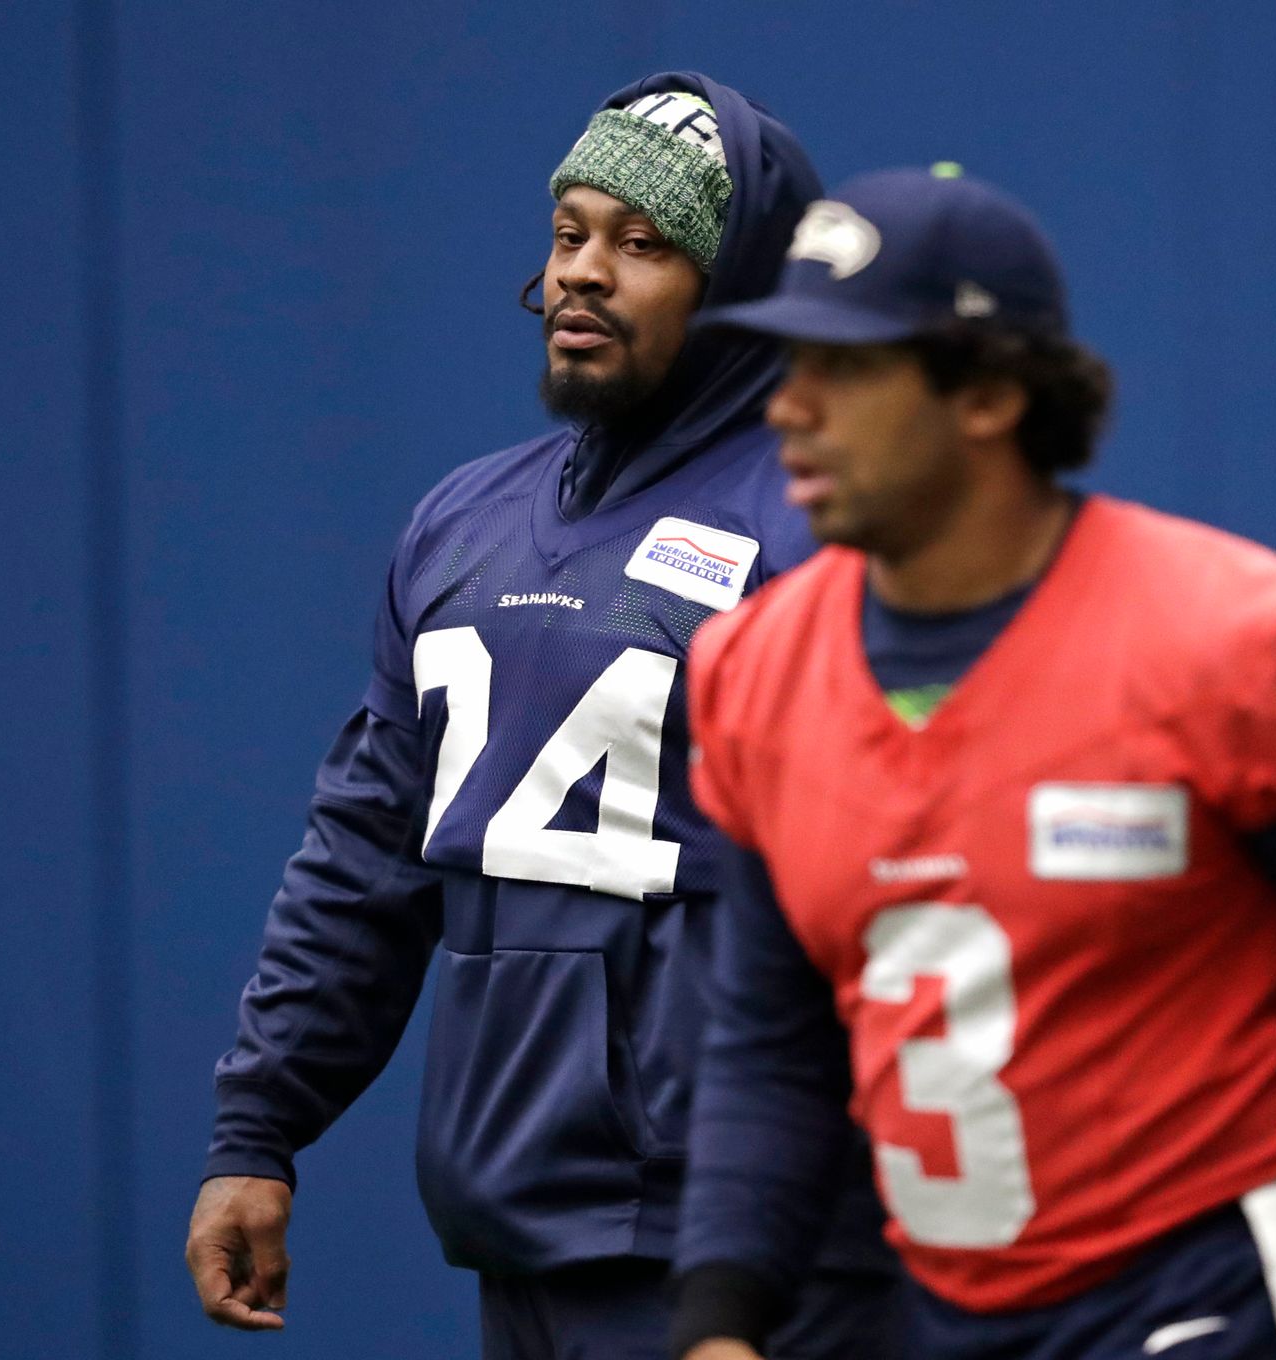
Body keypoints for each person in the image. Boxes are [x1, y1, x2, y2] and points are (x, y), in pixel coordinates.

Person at [667, 166, 1276, 1360]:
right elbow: (770, 1039)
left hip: (1220, 1294)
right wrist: (720, 1319)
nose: (788, 408)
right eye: (787, 363)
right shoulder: (757, 669)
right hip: (948, 1313)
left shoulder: (1225, 637)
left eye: (846, 367)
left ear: (989, 397)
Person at [184, 74, 898, 1360]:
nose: (582, 273)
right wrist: (260, 1124)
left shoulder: (819, 531)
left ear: (737, 292)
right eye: (571, 232)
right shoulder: (461, 519)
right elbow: (365, 854)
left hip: (746, 1254)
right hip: (511, 1217)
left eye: (643, 244)